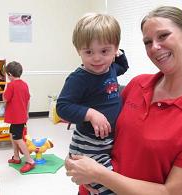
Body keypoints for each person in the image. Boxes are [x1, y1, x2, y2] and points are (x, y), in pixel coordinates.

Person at [65, 6, 182, 195]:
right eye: (148, 42)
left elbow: (172, 193)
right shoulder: (137, 85)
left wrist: (99, 174)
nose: (155, 47)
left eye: (163, 36)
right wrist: (79, 159)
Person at [56, 13, 128, 195]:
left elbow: (124, 66)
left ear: (114, 49)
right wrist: (91, 114)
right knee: (111, 186)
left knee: (112, 178)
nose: (96, 58)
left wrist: (119, 55)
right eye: (88, 52)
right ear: (78, 51)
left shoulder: (110, 67)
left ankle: (90, 187)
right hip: (89, 144)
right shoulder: (79, 78)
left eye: (104, 51)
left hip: (106, 142)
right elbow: (62, 107)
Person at [3, 61, 35, 173]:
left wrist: (4, 90)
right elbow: (28, 100)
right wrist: (27, 113)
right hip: (20, 117)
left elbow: (5, 99)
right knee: (12, 135)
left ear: (10, 74)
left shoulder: (10, 85)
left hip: (16, 118)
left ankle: (30, 161)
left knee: (18, 138)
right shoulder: (24, 84)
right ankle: (16, 157)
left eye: (7, 75)